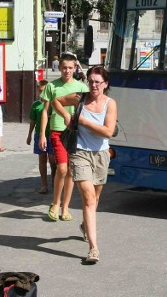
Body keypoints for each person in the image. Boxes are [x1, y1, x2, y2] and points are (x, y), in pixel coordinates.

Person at [52, 66, 117, 263]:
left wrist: (80, 120)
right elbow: (56, 101)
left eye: (98, 82)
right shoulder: (79, 98)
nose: (94, 85)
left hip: (101, 155)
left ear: (105, 84)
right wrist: (65, 116)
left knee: (95, 198)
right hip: (79, 152)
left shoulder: (110, 104)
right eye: (91, 81)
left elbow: (107, 132)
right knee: (88, 199)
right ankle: (93, 249)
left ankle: (85, 225)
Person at [39, 53, 88, 222]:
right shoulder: (52, 87)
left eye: (70, 68)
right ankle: (55, 203)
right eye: (64, 68)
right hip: (58, 130)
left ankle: (65, 207)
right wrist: (42, 135)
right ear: (59, 68)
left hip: (75, 132)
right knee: (62, 168)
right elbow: (45, 111)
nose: (67, 71)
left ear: (75, 69)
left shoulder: (81, 87)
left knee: (71, 172)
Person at [26, 79, 56, 194]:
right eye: (39, 90)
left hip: (52, 135)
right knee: (42, 160)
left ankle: (54, 181)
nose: (41, 93)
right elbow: (33, 121)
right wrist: (29, 135)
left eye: (44, 90)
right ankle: (44, 185)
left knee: (53, 161)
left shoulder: (54, 104)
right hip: (40, 135)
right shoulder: (36, 105)